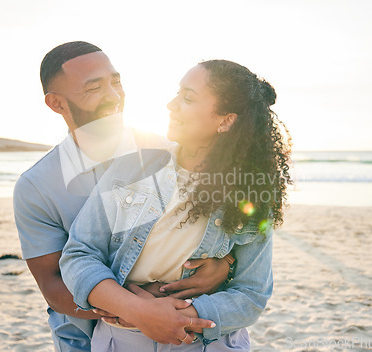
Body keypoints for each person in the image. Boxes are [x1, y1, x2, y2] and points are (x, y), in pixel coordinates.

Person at [13, 42, 235, 352]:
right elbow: (52, 285)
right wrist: (134, 309)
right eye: (94, 88)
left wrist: (226, 267)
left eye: (115, 81)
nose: (114, 96)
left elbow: (228, 236)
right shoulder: (37, 186)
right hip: (84, 339)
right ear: (57, 104)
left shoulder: (174, 153)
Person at [60, 60, 292, 350]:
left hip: (206, 341)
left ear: (226, 120)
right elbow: (79, 254)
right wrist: (138, 310)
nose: (171, 104)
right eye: (177, 93)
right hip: (123, 341)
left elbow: (251, 293)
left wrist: (182, 315)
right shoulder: (132, 167)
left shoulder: (250, 192)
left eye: (188, 97)